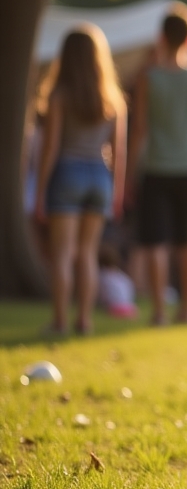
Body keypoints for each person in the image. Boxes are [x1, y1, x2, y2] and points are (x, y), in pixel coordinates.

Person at [127, 4, 187, 325]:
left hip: (154, 166)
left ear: (161, 36)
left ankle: (158, 312)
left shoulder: (147, 77)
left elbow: (139, 128)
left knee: (155, 241)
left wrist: (127, 176)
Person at [34, 25, 127, 335]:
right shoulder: (112, 99)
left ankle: (60, 321)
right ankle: (84, 320)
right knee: (88, 253)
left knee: (62, 254)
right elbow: (119, 151)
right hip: (100, 177)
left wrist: (39, 191)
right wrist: (117, 191)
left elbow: (50, 148)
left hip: (67, 173)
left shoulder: (60, 95)